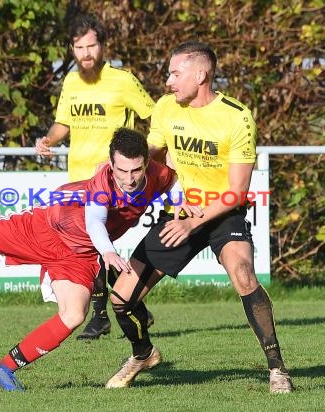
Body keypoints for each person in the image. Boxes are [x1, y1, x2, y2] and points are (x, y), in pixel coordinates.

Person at [0, 128, 196, 392]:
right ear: (111, 164)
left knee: (74, 315)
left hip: (78, 252)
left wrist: (179, 200)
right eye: (121, 171)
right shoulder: (102, 184)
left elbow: (171, 181)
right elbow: (94, 221)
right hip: (45, 227)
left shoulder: (157, 173)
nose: (128, 179)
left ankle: (2, 370)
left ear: (146, 162)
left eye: (136, 171)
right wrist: (107, 251)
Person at [104, 41, 294, 394]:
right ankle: (143, 354)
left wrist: (195, 222)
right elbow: (153, 154)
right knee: (121, 298)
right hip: (181, 211)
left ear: (201, 75)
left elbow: (237, 191)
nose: (168, 81)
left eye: (175, 73)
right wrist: (120, 163)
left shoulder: (236, 116)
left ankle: (277, 369)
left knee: (242, 273)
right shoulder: (165, 107)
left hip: (223, 212)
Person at [35, 13, 156, 340]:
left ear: (103, 47)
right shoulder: (72, 83)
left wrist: (148, 159)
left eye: (91, 45)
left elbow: (154, 117)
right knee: (90, 245)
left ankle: (102, 313)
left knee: (93, 244)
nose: (86, 53)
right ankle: (129, 307)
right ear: (72, 49)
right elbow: (63, 123)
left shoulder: (123, 81)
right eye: (79, 47)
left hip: (112, 180)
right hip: (77, 178)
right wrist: (48, 140)